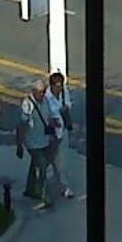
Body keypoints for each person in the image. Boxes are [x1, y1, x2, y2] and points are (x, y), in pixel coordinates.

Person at [16, 77, 53, 204]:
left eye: (44, 91)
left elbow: (49, 117)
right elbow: (21, 125)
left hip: (43, 140)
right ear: (34, 91)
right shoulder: (28, 105)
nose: (42, 94)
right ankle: (41, 194)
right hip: (32, 142)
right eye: (40, 91)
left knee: (34, 165)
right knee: (42, 167)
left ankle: (30, 189)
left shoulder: (46, 101)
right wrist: (19, 145)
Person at [41, 71, 75, 202]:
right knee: (49, 163)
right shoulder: (47, 98)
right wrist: (51, 120)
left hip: (62, 132)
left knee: (61, 163)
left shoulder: (64, 93)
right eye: (57, 86)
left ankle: (64, 187)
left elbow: (68, 105)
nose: (59, 88)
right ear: (52, 86)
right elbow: (45, 115)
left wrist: (65, 109)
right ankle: (46, 192)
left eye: (61, 85)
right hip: (51, 134)